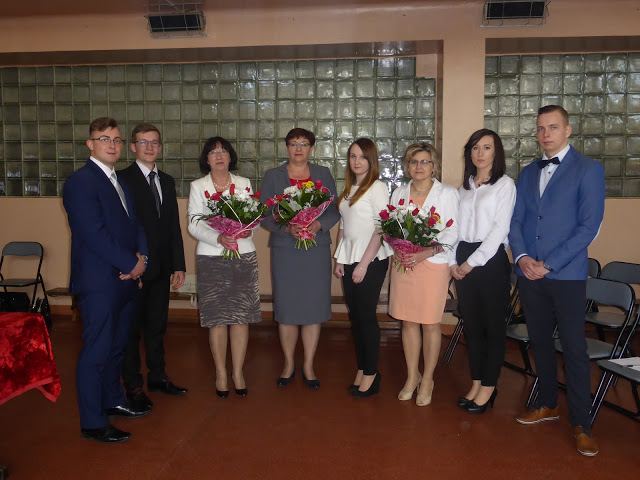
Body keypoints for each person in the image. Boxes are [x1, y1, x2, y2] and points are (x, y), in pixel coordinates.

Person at [509, 105, 605, 456]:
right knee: (539, 341)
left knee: (574, 348)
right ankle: (547, 403)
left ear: (567, 130)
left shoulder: (588, 169)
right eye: (540, 128)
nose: (545, 134)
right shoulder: (527, 172)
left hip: (565, 275)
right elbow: (516, 220)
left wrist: (549, 264)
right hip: (528, 273)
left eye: (552, 127)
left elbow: (588, 227)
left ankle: (582, 423)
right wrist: (522, 257)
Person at [63, 117, 149, 444]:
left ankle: (113, 399)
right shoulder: (80, 182)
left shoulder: (120, 181)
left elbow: (135, 225)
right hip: (99, 281)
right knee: (96, 351)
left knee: (117, 348)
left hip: (126, 279)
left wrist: (142, 260)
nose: (111, 145)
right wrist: (131, 263)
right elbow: (93, 233)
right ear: (90, 144)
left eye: (115, 139)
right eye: (103, 139)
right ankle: (92, 422)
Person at [260, 128, 340, 389]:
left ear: (311, 148)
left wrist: (318, 225)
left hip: (315, 249)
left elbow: (334, 210)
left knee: (312, 308)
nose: (298, 149)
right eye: (293, 143)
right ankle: (288, 364)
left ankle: (308, 365)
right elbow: (265, 214)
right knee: (287, 308)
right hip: (286, 249)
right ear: (287, 147)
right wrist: (287, 227)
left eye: (304, 144)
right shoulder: (273, 176)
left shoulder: (322, 174)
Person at [118, 123, 187, 411]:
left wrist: (178, 264)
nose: (149, 147)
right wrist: (130, 262)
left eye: (154, 142)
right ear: (133, 146)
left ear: (160, 146)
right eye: (143, 142)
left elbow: (172, 226)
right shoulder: (122, 179)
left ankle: (158, 376)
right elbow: (122, 226)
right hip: (136, 267)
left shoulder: (166, 181)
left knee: (157, 327)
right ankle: (133, 385)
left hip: (161, 267)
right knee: (131, 330)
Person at [188, 137, 261, 398]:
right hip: (212, 256)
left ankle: (238, 372)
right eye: (213, 152)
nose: (219, 155)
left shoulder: (244, 183)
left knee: (241, 317)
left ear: (230, 156)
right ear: (206, 159)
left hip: (243, 255)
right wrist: (219, 238)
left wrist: (246, 230)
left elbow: (254, 217)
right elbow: (194, 224)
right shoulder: (198, 186)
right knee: (217, 319)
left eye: (223, 151)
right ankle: (221, 373)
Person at [449, 129, 516, 414]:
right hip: (463, 256)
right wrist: (453, 262)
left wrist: (470, 263)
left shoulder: (505, 185)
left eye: (486, 147)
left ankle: (489, 386)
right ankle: (476, 382)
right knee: (472, 326)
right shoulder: (464, 188)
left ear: (496, 152)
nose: (480, 153)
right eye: (475, 148)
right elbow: (454, 229)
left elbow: (499, 230)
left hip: (490, 261)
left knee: (492, 327)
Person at [389, 142, 459, 406]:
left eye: (424, 162)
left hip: (433, 263)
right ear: (408, 166)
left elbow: (453, 232)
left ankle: (428, 378)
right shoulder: (399, 193)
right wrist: (397, 248)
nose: (419, 166)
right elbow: (391, 228)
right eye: (414, 161)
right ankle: (412, 376)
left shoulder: (447, 194)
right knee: (408, 322)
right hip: (404, 264)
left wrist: (425, 252)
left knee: (430, 323)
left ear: (433, 166)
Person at [333, 138, 393, 397]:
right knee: (355, 317)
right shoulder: (349, 188)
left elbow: (381, 228)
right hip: (349, 258)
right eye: (353, 156)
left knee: (366, 317)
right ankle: (362, 368)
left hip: (371, 260)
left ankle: (371, 373)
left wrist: (364, 265)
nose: (356, 161)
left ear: (371, 160)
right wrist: (340, 259)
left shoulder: (377, 187)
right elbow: (344, 226)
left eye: (362, 157)